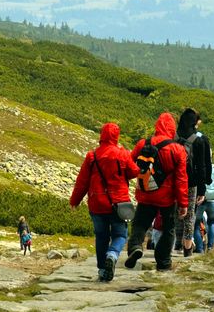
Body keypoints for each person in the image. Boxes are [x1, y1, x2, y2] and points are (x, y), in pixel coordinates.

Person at [69, 122, 139, 282]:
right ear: (116, 136)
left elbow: (82, 182)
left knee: (101, 236)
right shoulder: (123, 154)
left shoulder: (92, 156)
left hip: (97, 203)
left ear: (101, 135)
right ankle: (112, 255)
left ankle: (102, 269)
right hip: (119, 203)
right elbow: (134, 172)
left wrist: (75, 200)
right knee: (121, 234)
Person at [124, 112, 189, 272]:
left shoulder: (143, 144)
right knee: (169, 229)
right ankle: (163, 261)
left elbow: (130, 166)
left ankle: (135, 247)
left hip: (146, 193)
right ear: (173, 128)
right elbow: (181, 179)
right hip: (167, 199)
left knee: (140, 223)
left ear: (157, 126)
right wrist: (183, 204)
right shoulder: (178, 149)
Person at [175, 108, 212, 257]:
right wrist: (202, 190)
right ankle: (187, 247)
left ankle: (177, 242)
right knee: (190, 214)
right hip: (191, 182)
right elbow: (202, 167)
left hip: (174, 181)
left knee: (177, 212)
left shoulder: (174, 137)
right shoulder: (198, 140)